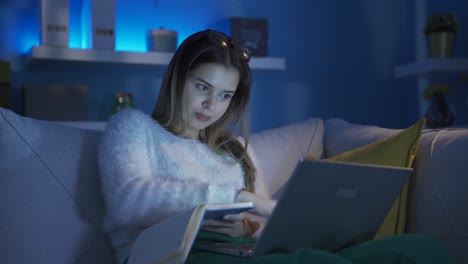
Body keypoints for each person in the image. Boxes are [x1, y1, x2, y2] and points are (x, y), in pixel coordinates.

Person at [98, 29, 455, 264]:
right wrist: (234, 197)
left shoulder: (232, 151)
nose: (211, 105)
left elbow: (264, 220)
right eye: (203, 87)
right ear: (178, 79)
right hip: (174, 256)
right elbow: (130, 201)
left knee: (419, 248)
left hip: (246, 254)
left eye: (224, 96)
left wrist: (251, 225)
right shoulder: (133, 127)